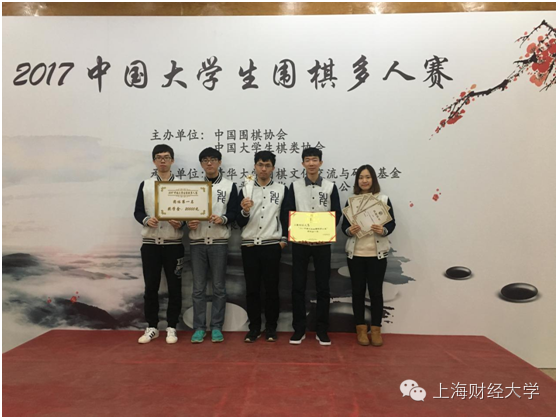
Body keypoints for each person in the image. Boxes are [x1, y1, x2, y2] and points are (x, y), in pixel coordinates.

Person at [285, 147, 342, 346]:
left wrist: (324, 232)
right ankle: (299, 329)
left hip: (322, 244)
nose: (311, 163)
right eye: (307, 160)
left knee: (323, 287)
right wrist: (296, 232)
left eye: (314, 159)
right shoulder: (294, 186)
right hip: (300, 243)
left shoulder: (330, 186)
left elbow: (336, 213)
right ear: (302, 164)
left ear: (320, 163)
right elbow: (288, 212)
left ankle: (322, 330)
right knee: (298, 287)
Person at [134, 144, 185, 344]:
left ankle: (172, 327)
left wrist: (181, 222)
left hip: (174, 244)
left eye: (166, 157)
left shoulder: (182, 185)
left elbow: (190, 212)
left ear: (172, 160)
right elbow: (138, 211)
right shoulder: (146, 184)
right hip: (151, 244)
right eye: (159, 157)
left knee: (175, 288)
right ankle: (152, 326)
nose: (163, 160)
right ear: (154, 161)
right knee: (151, 287)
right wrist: (147, 220)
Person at [187, 147, 238, 344]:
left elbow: (233, 212)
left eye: (213, 159)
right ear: (201, 164)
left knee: (218, 287)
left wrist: (223, 219)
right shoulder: (193, 187)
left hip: (219, 242)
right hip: (197, 242)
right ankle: (199, 328)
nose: (209, 163)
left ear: (219, 162)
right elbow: (185, 211)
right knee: (198, 288)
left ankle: (217, 327)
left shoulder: (229, 186)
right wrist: (188, 222)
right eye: (205, 160)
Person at [237, 151, 289, 343]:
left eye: (267, 165)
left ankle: (271, 328)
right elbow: (239, 222)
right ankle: (254, 328)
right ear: (255, 167)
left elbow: (285, 216)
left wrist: (283, 240)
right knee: (252, 289)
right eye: (260, 165)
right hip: (249, 245)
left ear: (273, 168)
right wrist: (244, 210)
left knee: (271, 289)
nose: (264, 169)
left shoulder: (282, 189)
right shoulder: (245, 190)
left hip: (271, 245)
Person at [341, 164, 396, 346]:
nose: (364, 180)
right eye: (361, 177)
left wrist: (383, 230)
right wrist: (350, 230)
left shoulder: (383, 199)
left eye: (368, 177)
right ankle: (361, 330)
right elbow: (344, 227)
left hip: (377, 254)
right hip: (355, 254)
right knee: (357, 292)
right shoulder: (351, 201)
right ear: (357, 181)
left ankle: (376, 329)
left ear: (373, 179)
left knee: (375, 292)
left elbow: (392, 224)